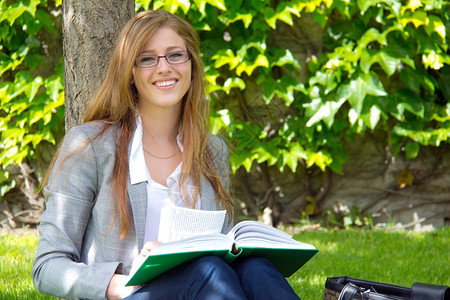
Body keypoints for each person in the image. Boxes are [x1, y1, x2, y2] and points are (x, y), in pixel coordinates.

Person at [32, 10, 301, 300]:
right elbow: (47, 266)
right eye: (147, 58)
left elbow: (218, 249)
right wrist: (123, 284)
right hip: (132, 294)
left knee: (255, 267)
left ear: (191, 65)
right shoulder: (90, 146)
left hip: (202, 287)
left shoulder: (212, 151)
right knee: (207, 270)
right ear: (130, 73)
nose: (164, 68)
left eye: (175, 55)